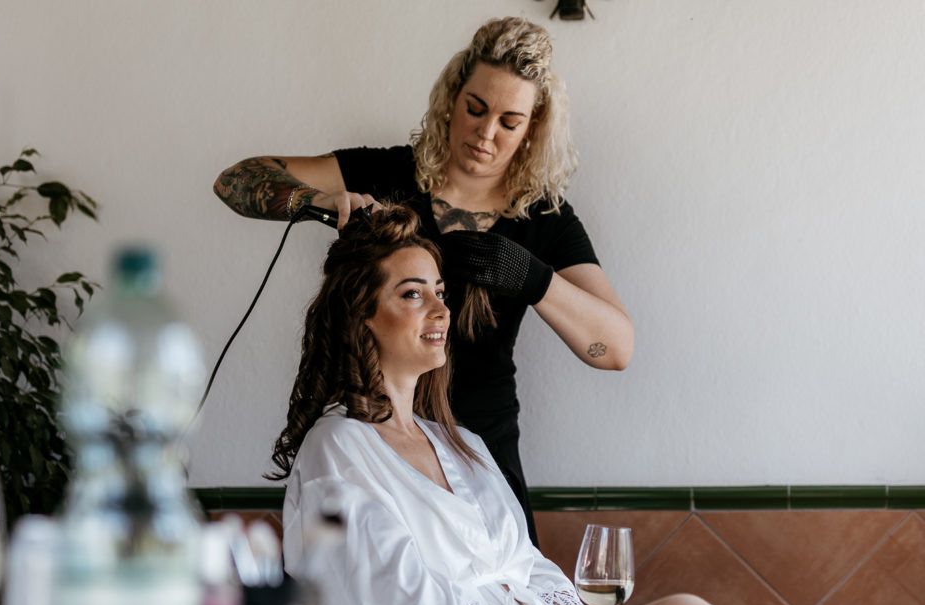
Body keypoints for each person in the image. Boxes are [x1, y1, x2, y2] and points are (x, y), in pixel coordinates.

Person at [275, 205, 773, 605]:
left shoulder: (460, 444)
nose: (439, 309)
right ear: (360, 314)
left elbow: (530, 565)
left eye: (440, 292)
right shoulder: (336, 451)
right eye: (412, 294)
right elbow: (396, 602)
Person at [215, 17, 633, 544]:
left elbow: (615, 348)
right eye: (476, 109)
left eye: (509, 121)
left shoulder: (545, 220)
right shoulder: (387, 175)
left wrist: (533, 279)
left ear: (534, 128)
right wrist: (314, 200)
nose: (485, 135)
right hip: (371, 444)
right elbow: (234, 179)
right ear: (452, 98)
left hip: (480, 455)